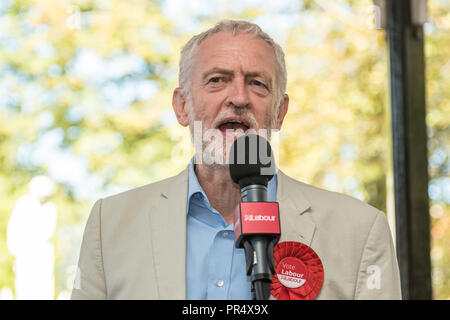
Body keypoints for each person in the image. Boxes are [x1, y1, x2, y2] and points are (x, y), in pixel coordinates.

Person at [71, 20, 401, 300]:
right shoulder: (110, 224)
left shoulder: (360, 231)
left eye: (257, 84)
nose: (239, 98)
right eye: (217, 80)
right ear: (182, 106)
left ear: (280, 112)